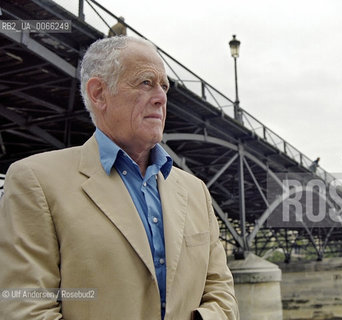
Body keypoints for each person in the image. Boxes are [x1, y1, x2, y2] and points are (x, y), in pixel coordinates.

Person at [0, 36, 239, 320]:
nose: (161, 97)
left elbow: (222, 293)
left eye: (164, 86)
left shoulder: (195, 190)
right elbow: (28, 309)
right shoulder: (35, 181)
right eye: (145, 83)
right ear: (99, 93)